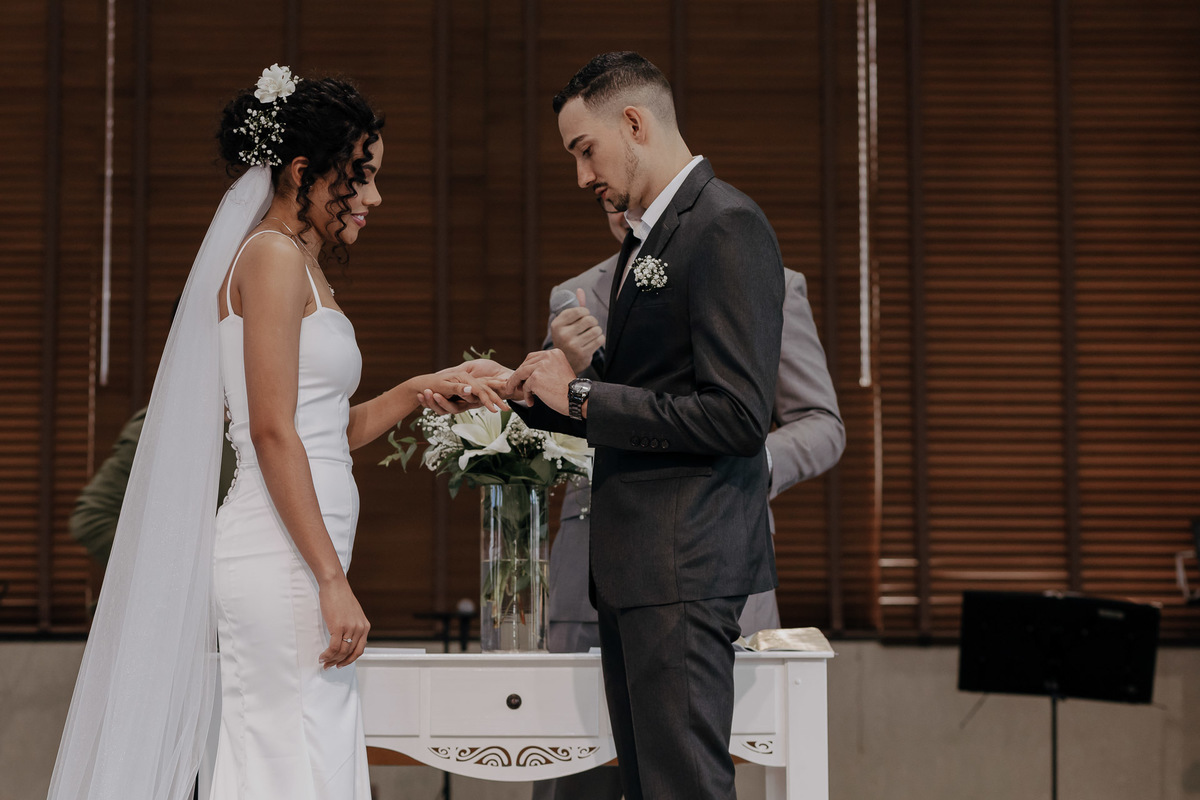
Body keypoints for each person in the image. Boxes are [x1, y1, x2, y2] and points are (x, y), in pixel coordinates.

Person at [48, 65, 503, 800]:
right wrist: (330, 579)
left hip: (299, 553)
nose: (374, 198)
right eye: (362, 177)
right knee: (292, 757)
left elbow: (327, 427)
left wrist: (423, 388)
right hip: (281, 557)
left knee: (305, 751)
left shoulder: (299, 264)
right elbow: (268, 431)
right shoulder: (268, 259)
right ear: (304, 173)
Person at [496, 51, 787, 800]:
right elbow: (648, 399)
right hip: (637, 570)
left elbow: (737, 415)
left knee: (683, 788)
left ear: (634, 123)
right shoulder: (645, 241)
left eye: (584, 150)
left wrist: (586, 399)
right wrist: (528, 394)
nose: (582, 176)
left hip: (683, 565)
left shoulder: (725, 225)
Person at [530, 202, 845, 800]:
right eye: (605, 202)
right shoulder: (575, 294)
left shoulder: (765, 279)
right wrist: (567, 371)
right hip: (592, 567)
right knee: (576, 784)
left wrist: (747, 466)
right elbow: (546, 439)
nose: (617, 209)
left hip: (711, 556)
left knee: (691, 775)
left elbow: (821, 422)